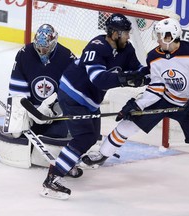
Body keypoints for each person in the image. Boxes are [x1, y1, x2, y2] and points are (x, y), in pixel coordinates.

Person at [82, 18, 189, 201]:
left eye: (161, 36)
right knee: (127, 125)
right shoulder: (154, 56)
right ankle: (102, 155)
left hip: (188, 104)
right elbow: (157, 87)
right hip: (164, 99)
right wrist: (137, 105)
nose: (158, 39)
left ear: (171, 36)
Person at [41, 13, 150, 199]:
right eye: (125, 33)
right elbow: (98, 79)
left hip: (91, 100)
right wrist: (125, 79)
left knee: (90, 137)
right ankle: (52, 179)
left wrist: (149, 74)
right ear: (115, 33)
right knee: (84, 137)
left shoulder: (126, 49)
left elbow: (137, 69)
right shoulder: (96, 47)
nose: (128, 37)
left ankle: (66, 165)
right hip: (72, 93)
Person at [3, 24, 82, 176]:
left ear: (54, 43)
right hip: (31, 109)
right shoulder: (24, 54)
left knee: (56, 134)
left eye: (45, 49)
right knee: (16, 133)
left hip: (55, 112)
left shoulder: (67, 57)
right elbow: (17, 87)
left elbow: (73, 90)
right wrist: (26, 111)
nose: (42, 52)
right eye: (39, 48)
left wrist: (52, 106)